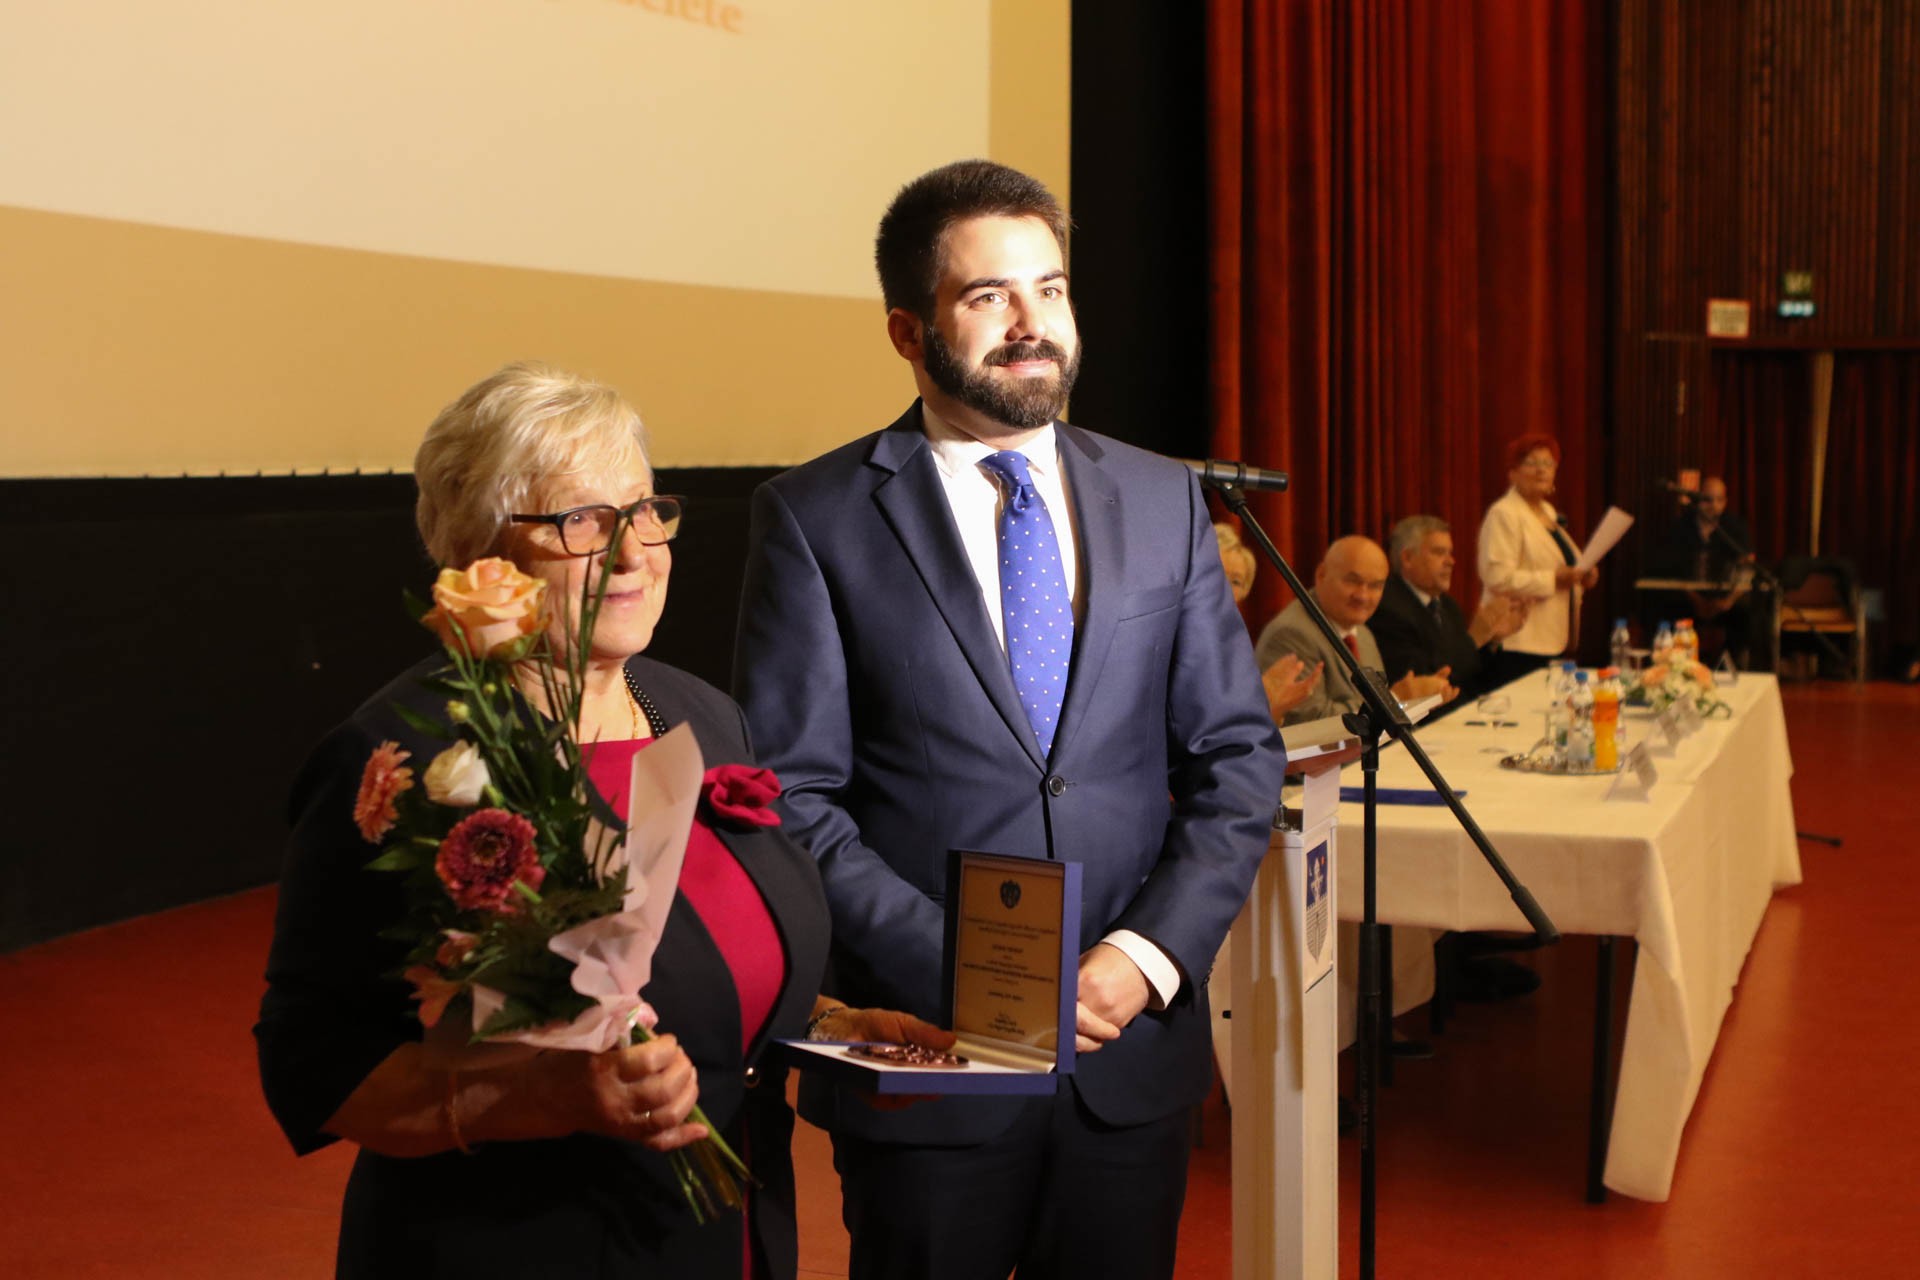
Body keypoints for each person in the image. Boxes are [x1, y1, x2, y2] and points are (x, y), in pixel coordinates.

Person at [256, 363, 942, 1279]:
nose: (633, 553)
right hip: (520, 1250)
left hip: (728, 1237)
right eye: (582, 521)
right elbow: (314, 1065)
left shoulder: (700, 715)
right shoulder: (406, 759)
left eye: (646, 511)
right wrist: (541, 1097)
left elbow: (712, 963)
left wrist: (836, 1030)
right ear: (478, 549)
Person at [733, 160, 1287, 1280]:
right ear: (908, 329)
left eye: (1052, 288)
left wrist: (1146, 955)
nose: (1033, 323)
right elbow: (793, 795)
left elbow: (1236, 755)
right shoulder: (816, 517)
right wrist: (969, 971)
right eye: (990, 296)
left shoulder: (1163, 498)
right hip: (930, 1060)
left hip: (1129, 1055)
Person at [1253, 535, 1457, 726]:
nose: (1363, 596)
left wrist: (1418, 700)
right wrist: (1395, 700)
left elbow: (1373, 715)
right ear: (1321, 574)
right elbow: (1310, 722)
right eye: (1352, 581)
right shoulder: (1292, 634)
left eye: (1375, 586)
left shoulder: (1362, 633)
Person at [1371, 514, 1529, 706]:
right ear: (1408, 558)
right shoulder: (1387, 607)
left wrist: (1492, 641)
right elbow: (1425, 682)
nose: (1451, 561)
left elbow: (1473, 677)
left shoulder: (1447, 604)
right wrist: (1474, 638)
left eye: (1450, 552)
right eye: (1439, 552)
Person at [1476, 433, 1596, 686]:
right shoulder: (1504, 513)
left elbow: (1565, 567)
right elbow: (1497, 578)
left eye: (1548, 463)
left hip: (1554, 638)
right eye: (1532, 463)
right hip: (1517, 641)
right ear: (1513, 473)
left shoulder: (1548, 512)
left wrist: (1583, 575)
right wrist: (1554, 579)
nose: (1542, 470)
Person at [1216, 521, 1323, 722]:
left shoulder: (1234, 646)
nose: (1225, 588)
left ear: (1244, 593)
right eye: (1216, 574)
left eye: (1236, 582)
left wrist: (1272, 709)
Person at [1652, 475, 1756, 666]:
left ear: (1725, 502)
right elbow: (1672, 570)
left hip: (1725, 598)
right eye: (1708, 499)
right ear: (1697, 499)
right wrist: (1696, 599)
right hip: (1688, 596)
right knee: (1663, 608)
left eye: (1719, 500)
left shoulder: (1734, 527)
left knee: (1747, 615)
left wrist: (1728, 600)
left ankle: (1731, 666)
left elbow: (1747, 568)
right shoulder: (1681, 527)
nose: (1713, 505)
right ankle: (1674, 665)